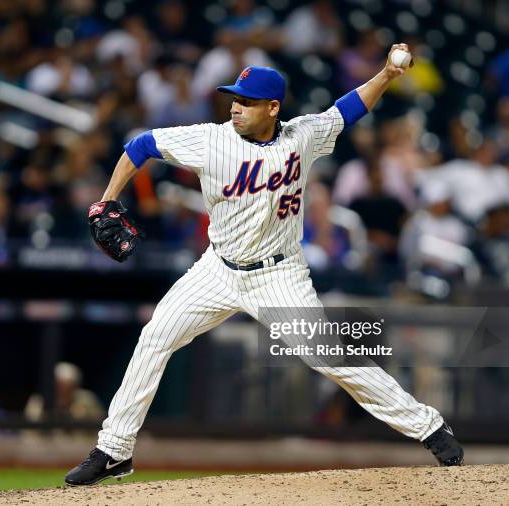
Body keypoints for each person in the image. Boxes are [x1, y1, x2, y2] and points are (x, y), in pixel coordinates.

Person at [65, 44, 464, 487]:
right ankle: (114, 449)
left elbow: (350, 109)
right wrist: (107, 199)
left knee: (332, 358)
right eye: (235, 98)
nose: (236, 108)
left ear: (274, 108)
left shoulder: (302, 136)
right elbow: (140, 146)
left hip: (279, 275)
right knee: (154, 338)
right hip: (217, 270)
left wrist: (388, 73)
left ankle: (429, 427)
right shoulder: (210, 139)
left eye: (248, 102)